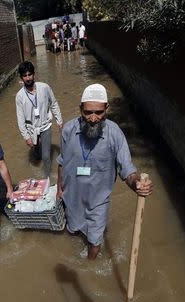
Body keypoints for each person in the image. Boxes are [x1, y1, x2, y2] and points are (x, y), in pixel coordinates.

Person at [56, 84, 153, 260]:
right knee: (74, 230)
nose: (93, 118)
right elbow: (62, 162)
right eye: (88, 112)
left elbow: (128, 171)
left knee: (94, 242)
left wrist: (136, 184)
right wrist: (59, 189)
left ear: (106, 109)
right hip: (73, 196)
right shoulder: (68, 130)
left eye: (99, 113)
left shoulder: (115, 134)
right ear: (80, 110)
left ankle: (89, 267)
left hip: (98, 201)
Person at [15, 61, 63, 178]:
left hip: (45, 125)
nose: (28, 78)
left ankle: (46, 178)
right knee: (36, 154)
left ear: (34, 74)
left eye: (30, 74)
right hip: (31, 129)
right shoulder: (20, 96)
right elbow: (20, 119)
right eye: (25, 76)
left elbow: (53, 103)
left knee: (46, 156)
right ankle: (36, 153)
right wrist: (26, 137)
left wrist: (59, 120)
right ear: (21, 78)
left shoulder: (44, 88)